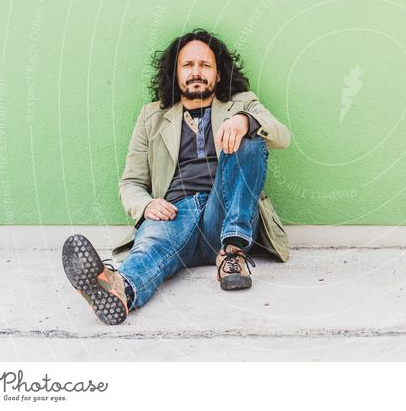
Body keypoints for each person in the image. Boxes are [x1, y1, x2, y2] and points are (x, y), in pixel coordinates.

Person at [62, 28, 291, 325]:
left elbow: (282, 136)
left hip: (220, 216)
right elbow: (130, 182)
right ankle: (119, 290)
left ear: (218, 75)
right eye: (188, 65)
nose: (197, 72)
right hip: (173, 214)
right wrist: (146, 206)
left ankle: (232, 253)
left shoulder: (242, 103)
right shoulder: (151, 116)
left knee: (250, 140)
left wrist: (245, 121)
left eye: (205, 65)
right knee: (151, 246)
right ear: (176, 73)